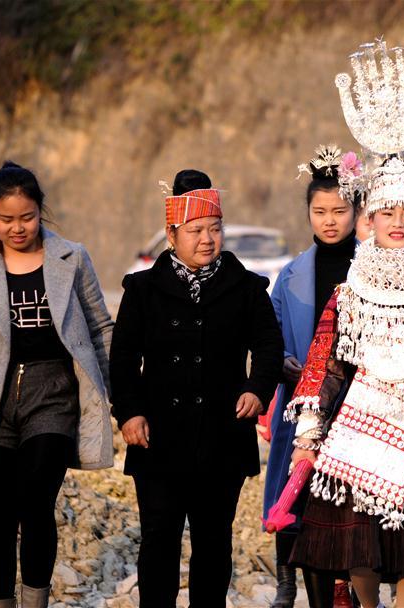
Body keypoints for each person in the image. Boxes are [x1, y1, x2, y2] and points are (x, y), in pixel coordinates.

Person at [285, 40, 404, 608]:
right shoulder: (349, 290)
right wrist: (309, 432)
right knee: (361, 549)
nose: (397, 224)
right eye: (386, 213)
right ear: (369, 218)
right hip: (361, 428)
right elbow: (328, 361)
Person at [0, 162, 115, 608]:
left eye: (27, 217)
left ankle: (35, 601)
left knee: (36, 503)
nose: (18, 228)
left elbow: (100, 329)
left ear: (41, 211)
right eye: (6, 219)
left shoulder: (71, 257)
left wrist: (116, 396)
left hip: (52, 393)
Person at [109, 169, 283, 607]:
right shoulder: (144, 288)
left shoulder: (245, 287)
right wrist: (128, 412)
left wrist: (257, 388)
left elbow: (268, 344)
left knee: (213, 543)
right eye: (196, 230)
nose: (207, 239)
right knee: (159, 540)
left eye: (215, 228)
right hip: (158, 436)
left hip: (222, 435)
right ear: (172, 234)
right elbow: (123, 357)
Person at [264, 146, 360, 608]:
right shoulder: (290, 274)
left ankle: (350, 586)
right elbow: (272, 339)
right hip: (302, 401)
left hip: (357, 402)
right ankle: (294, 583)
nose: (329, 221)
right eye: (319, 211)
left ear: (356, 211)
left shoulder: (370, 268)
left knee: (346, 501)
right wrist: (290, 367)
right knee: (295, 492)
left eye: (339, 211)